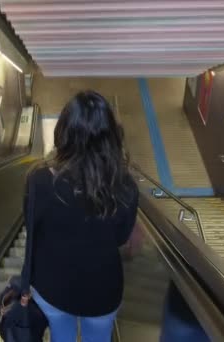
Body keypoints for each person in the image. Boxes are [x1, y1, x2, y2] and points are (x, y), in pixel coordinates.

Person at [23, 90, 139, 342]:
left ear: (63, 131)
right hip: (102, 292)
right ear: (110, 136)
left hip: (52, 287)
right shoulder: (125, 186)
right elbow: (120, 238)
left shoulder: (39, 180)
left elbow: (31, 226)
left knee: (60, 336)